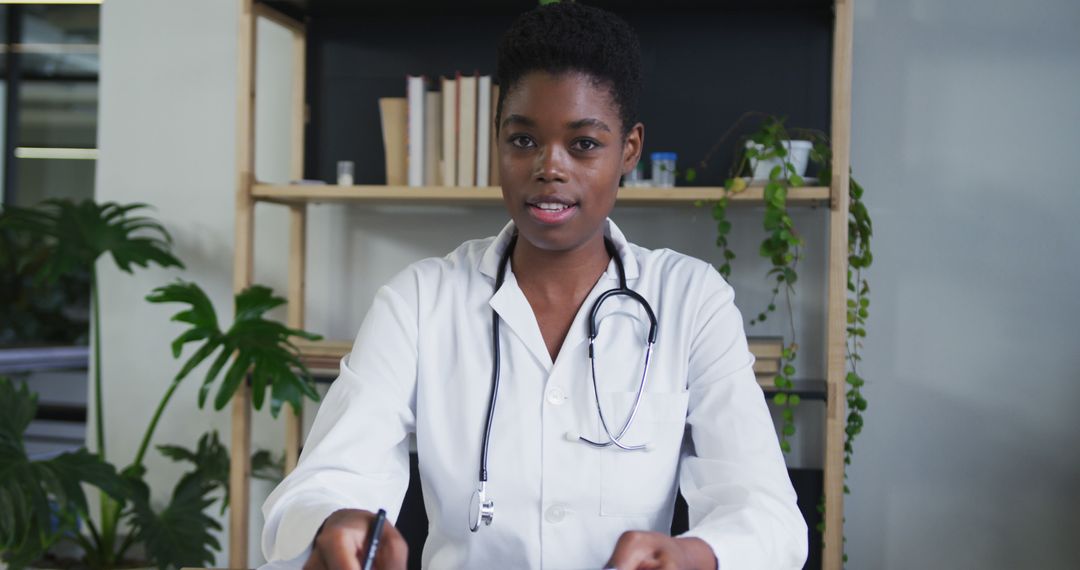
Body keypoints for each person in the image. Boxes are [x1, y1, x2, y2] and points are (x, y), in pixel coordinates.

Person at [260, 3, 807, 569]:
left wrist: (697, 556)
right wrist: (338, 520)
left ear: (629, 150)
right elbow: (330, 476)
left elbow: (765, 512)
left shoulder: (691, 300)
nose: (551, 167)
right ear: (497, 140)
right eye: (523, 141)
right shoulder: (420, 301)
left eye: (585, 144)